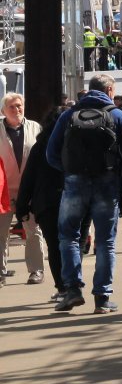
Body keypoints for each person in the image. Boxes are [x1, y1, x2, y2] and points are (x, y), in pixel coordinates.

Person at [45, 74, 122, 313]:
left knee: (68, 236)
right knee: (106, 241)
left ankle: (72, 290)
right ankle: (102, 298)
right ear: (109, 91)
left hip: (74, 183)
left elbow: (51, 153)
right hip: (107, 184)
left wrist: (69, 171)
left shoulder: (69, 115)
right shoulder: (118, 115)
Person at [14, 104, 72, 300]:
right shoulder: (76, 143)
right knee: (73, 244)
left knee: (54, 246)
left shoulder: (41, 146)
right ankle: (73, 284)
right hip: (74, 199)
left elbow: (28, 178)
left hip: (47, 203)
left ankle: (63, 288)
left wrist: (22, 206)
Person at [1, 92, 47, 285]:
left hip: (29, 190)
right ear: (3, 111)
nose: (16, 109)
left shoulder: (35, 127)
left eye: (19, 105)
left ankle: (36, 270)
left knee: (33, 231)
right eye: (11, 107)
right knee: (1, 233)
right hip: (3, 191)